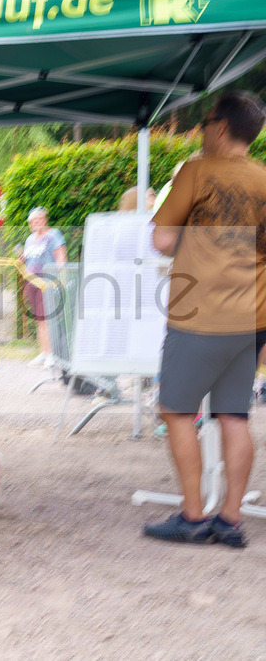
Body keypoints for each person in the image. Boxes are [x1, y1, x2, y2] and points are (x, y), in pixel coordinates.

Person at [144, 90, 266, 549]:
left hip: (199, 316)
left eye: (205, 121)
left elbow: (161, 240)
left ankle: (193, 516)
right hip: (253, 316)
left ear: (219, 127)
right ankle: (230, 520)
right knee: (234, 415)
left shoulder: (196, 171)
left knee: (175, 410)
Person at [20, 207, 66, 369]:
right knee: (39, 319)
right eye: (32, 222)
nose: (35, 224)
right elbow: (28, 260)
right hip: (31, 282)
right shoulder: (30, 239)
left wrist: (60, 278)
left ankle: (51, 354)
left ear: (45, 220)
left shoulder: (53, 235)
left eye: (38, 220)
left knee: (47, 319)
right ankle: (43, 352)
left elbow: (61, 257)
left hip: (46, 282)